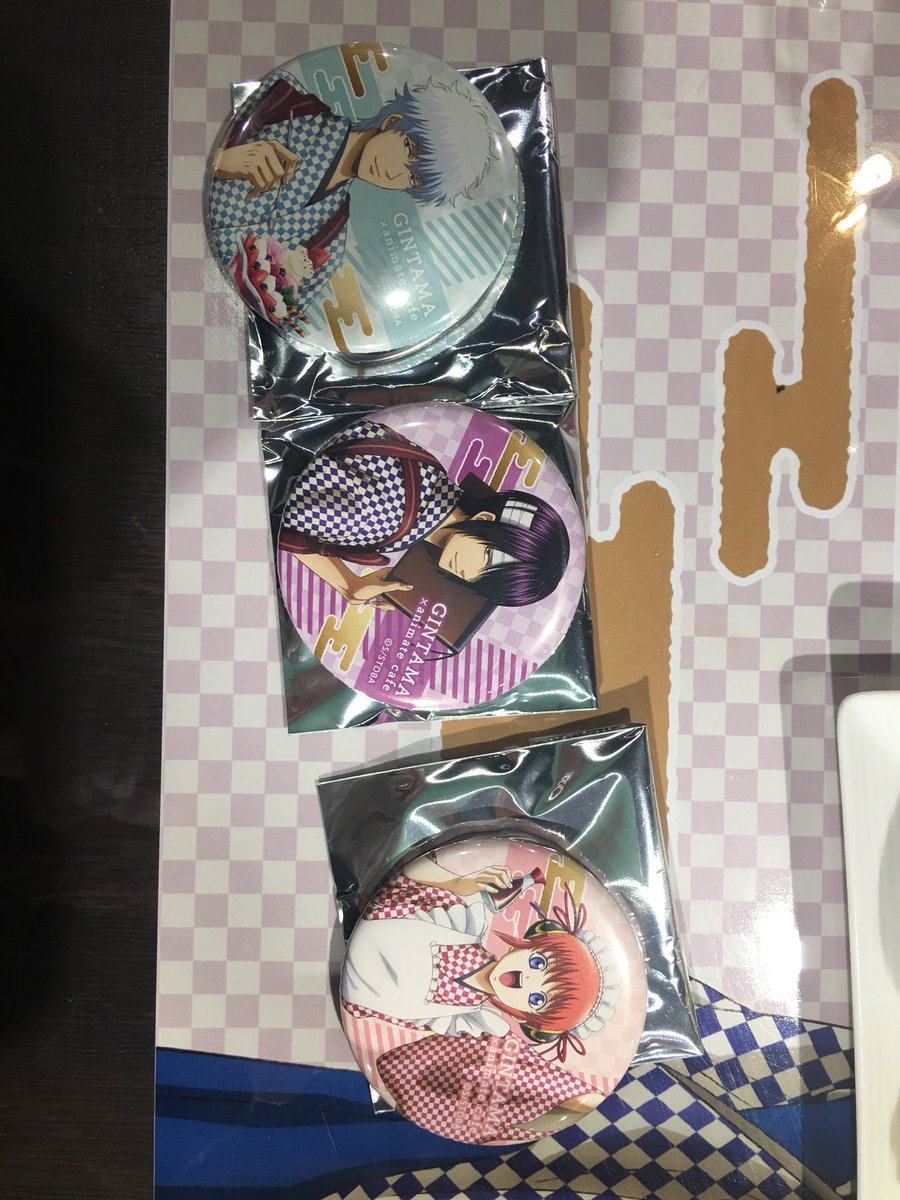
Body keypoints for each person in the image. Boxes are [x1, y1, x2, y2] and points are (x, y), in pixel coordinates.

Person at [341, 857, 619, 1142]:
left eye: (536, 999)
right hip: (348, 944)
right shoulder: (464, 923)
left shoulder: (476, 1020)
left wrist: (580, 1098)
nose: (526, 979)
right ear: (530, 942)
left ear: (527, 1019)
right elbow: (413, 878)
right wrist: (458, 882)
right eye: (538, 963)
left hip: (349, 996)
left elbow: (531, 1071)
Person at [208, 69, 499, 329]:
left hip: (213, 298)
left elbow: (279, 316)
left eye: (412, 178)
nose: (395, 172)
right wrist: (223, 161)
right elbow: (208, 140)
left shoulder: (330, 239)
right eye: (409, 148)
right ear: (393, 121)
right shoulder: (287, 103)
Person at [277, 416, 571, 612]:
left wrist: (354, 586)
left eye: (485, 582)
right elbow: (282, 522)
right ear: (484, 521)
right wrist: (347, 584)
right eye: (488, 558)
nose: (471, 574)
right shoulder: (386, 517)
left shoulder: (429, 475)